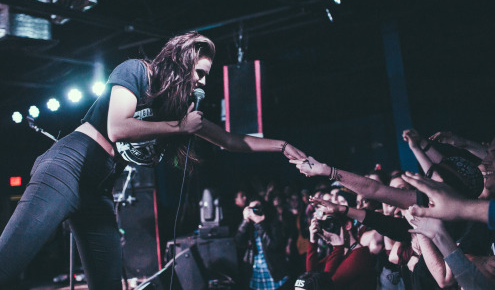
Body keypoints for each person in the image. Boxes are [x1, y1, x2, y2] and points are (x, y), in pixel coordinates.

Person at [0, 32, 306, 289]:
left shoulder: (176, 112)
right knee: (8, 260)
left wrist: (282, 146)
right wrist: (179, 127)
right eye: (199, 73)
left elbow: (230, 140)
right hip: (69, 165)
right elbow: (117, 127)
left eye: (205, 77)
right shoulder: (136, 71)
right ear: (182, 60)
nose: (202, 83)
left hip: (99, 187)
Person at [235, 198, 291, 290]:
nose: (255, 211)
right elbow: (238, 241)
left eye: (258, 207)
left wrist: (260, 223)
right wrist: (245, 221)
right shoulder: (249, 226)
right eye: (251, 208)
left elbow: (273, 246)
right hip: (255, 273)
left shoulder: (274, 223)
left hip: (273, 272)